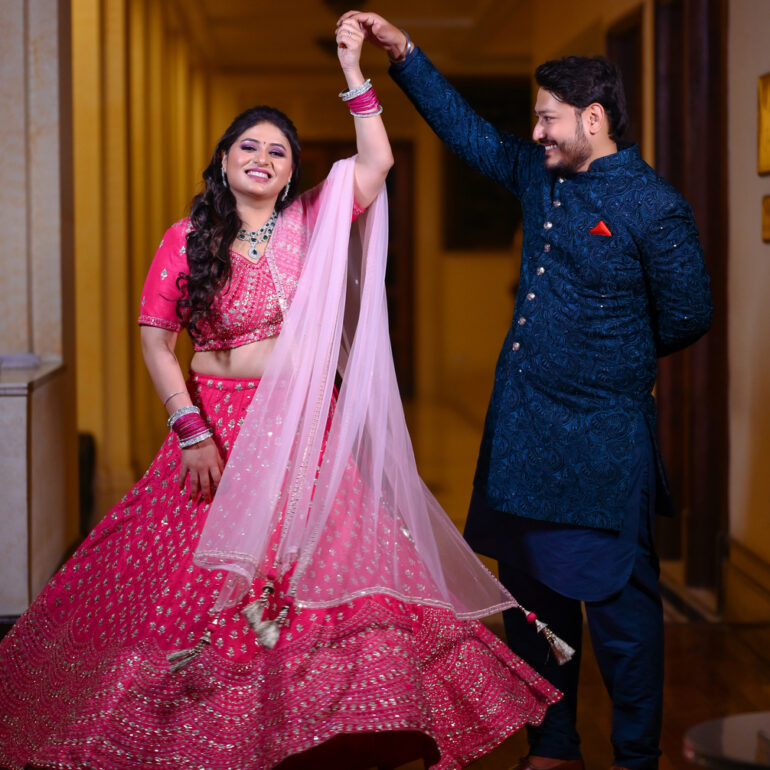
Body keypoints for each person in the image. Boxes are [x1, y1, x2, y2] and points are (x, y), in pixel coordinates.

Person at [0, 19, 560, 770]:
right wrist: (190, 428)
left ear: (292, 171)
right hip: (217, 437)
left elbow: (378, 159)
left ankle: (319, 728)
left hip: (303, 432)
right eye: (248, 146)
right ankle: (208, 736)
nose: (262, 158)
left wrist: (354, 71)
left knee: (322, 577)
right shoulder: (187, 237)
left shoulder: (312, 223)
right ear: (223, 161)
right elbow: (154, 340)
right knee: (195, 592)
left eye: (278, 150)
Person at [340, 10, 714, 770]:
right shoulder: (538, 176)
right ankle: (553, 743)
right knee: (532, 604)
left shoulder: (654, 206)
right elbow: (468, 133)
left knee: (621, 617)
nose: (536, 132)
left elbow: (688, 316)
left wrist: (606, 362)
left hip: (605, 442)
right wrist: (405, 56)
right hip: (521, 433)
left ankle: (636, 755)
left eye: (548, 118)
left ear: (594, 118)